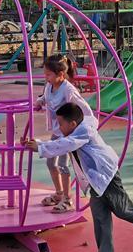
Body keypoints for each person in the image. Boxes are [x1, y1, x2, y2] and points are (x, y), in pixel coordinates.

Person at [24, 102, 133, 252]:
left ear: (72, 124)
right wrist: (38, 144)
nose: (58, 127)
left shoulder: (84, 132)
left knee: (123, 210)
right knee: (100, 215)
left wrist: (41, 147)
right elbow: (63, 142)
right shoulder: (75, 131)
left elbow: (67, 144)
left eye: (61, 124)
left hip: (107, 176)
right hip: (96, 180)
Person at [34, 54, 93, 213]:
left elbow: (82, 107)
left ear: (60, 74)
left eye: (48, 74)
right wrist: (40, 100)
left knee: (62, 165)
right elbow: (47, 96)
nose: (45, 77)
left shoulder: (68, 90)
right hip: (57, 131)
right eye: (45, 74)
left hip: (67, 134)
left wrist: (84, 126)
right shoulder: (50, 85)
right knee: (50, 163)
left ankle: (67, 199)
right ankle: (59, 193)